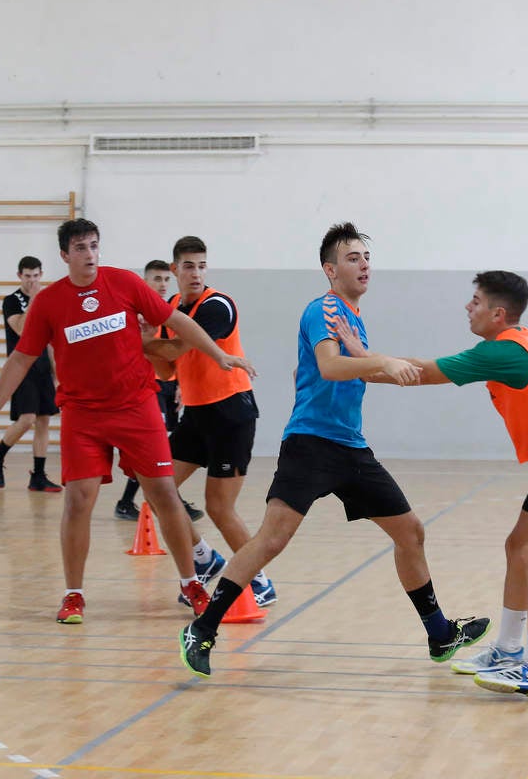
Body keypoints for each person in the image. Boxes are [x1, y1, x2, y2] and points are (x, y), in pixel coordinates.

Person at [178, 222, 490, 677]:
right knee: (272, 540)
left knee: (411, 533)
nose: (363, 264)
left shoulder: (351, 316)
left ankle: (440, 633)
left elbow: (362, 369)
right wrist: (379, 360)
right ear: (329, 269)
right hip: (311, 443)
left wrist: (413, 369)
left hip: (351, 448)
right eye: (352, 258)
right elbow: (329, 366)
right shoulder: (322, 309)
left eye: (366, 257)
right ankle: (203, 628)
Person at [338, 270, 528, 700]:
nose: (468, 308)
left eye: (475, 301)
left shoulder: (504, 351)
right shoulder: (508, 344)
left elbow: (422, 373)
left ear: (498, 313)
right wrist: (365, 359)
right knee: (517, 547)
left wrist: (361, 357)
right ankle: (507, 651)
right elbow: (412, 372)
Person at [0, 219, 256, 625]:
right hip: (83, 416)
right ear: (65, 255)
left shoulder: (123, 283)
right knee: (77, 500)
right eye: (80, 248)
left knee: (164, 496)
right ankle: (73, 595)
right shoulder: (49, 303)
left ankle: (190, 581)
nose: (89, 255)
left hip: (136, 407)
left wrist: (217, 354)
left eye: (94, 246)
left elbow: (177, 323)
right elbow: (20, 359)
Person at [144, 236, 275, 608]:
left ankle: (260, 580)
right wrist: (145, 341)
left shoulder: (216, 306)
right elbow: (167, 372)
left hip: (231, 413)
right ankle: (204, 556)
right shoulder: (169, 307)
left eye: (202, 265)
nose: (196, 273)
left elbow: (172, 349)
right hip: (197, 415)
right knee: (157, 489)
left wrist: (136, 340)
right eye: (188, 266)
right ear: (175, 270)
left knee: (218, 507)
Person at [114, 259, 203, 523]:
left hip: (166, 384)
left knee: (167, 445)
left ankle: (165, 494)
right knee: (156, 447)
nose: (162, 285)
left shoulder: (170, 310)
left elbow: (173, 352)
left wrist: (178, 384)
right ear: (145, 281)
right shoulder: (136, 312)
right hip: (143, 387)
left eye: (166, 280)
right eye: (156, 279)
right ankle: (130, 500)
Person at [0, 256, 61, 492]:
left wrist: (56, 374)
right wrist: (35, 301)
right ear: (20, 276)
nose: (32, 281)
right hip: (22, 368)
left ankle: (38, 476)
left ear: (41, 275)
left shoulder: (47, 301)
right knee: (27, 418)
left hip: (42, 369)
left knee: (43, 420)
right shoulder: (12, 301)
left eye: (36, 276)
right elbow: (21, 329)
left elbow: (50, 341)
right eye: (27, 276)